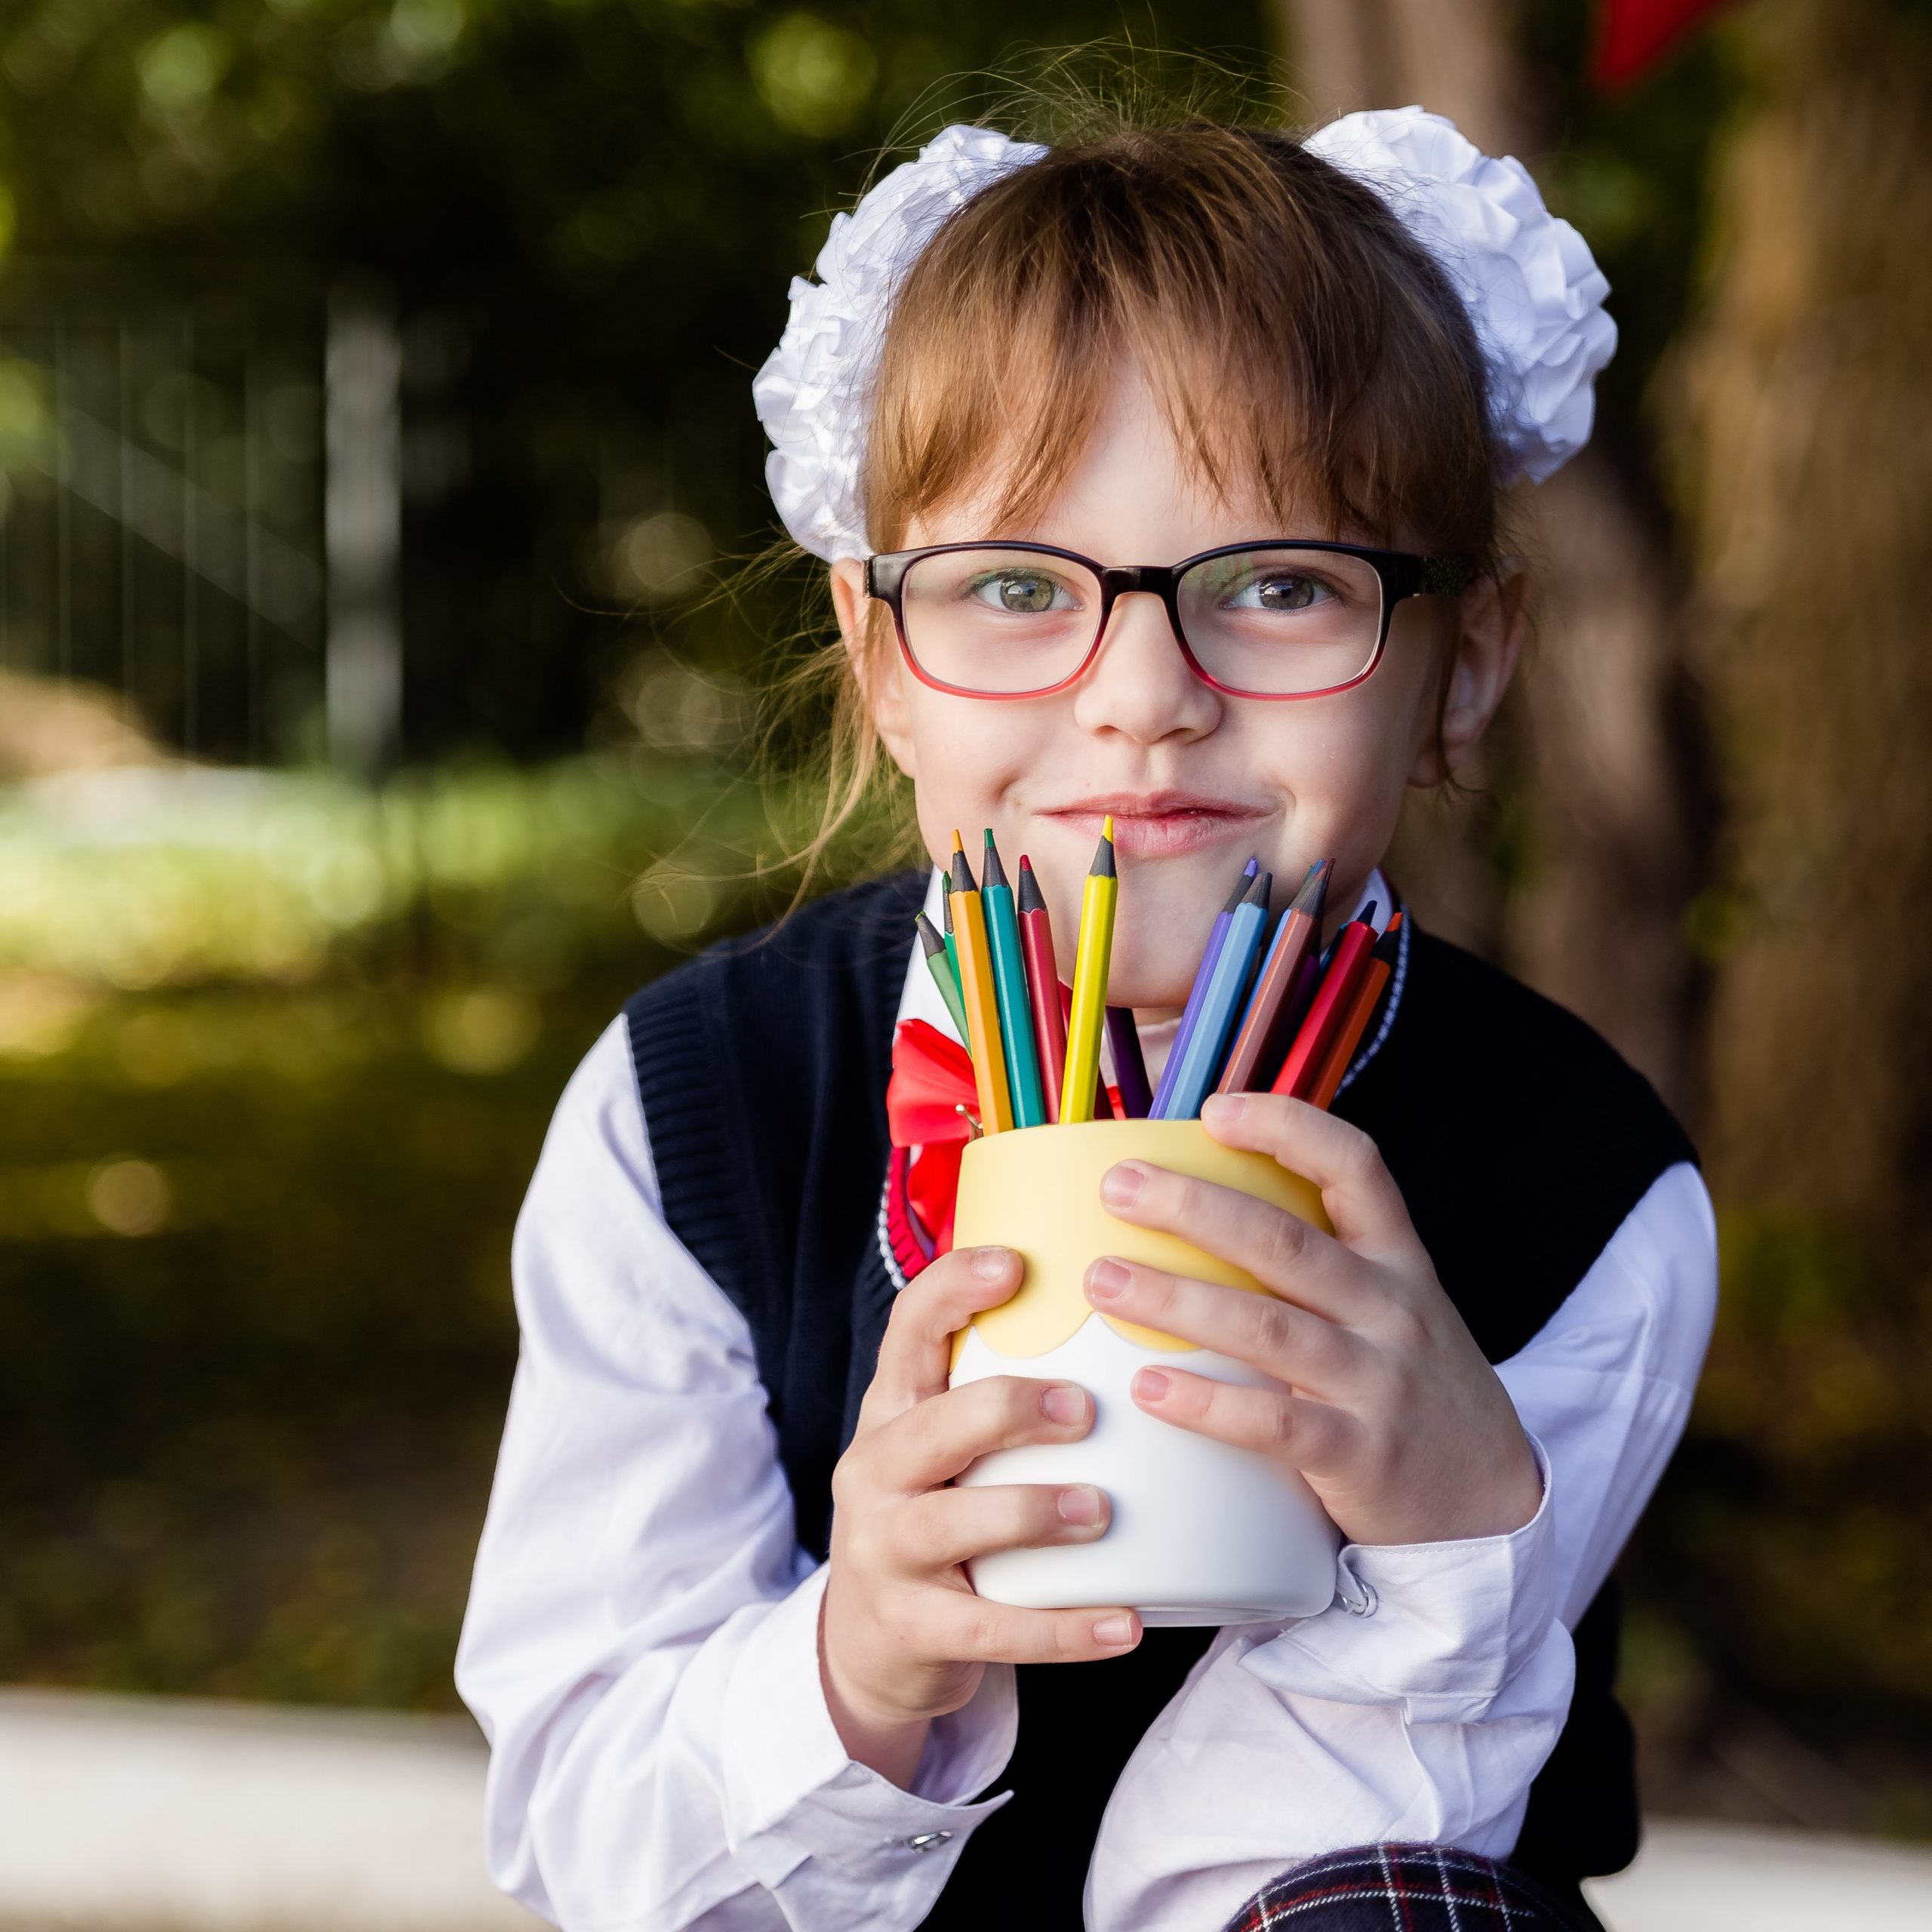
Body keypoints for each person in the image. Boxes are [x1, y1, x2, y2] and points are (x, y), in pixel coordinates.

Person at [457, 105, 1716, 1932]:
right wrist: (863, 1658)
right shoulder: (694, 1112)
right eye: (1016, 587)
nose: (1142, 696)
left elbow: (1298, 1866)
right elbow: (589, 1823)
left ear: (1467, 666)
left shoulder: (1585, 1182)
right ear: (886, 663)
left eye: (1281, 583)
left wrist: (1452, 1538)